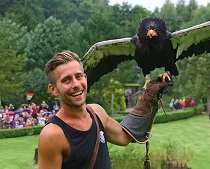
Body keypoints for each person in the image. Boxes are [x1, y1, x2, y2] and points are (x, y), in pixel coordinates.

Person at [38, 50, 171, 169]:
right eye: (66, 80)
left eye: (78, 76)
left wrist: (148, 100)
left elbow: (124, 137)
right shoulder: (52, 135)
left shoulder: (97, 113)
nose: (76, 84)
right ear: (53, 89)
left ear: (85, 78)